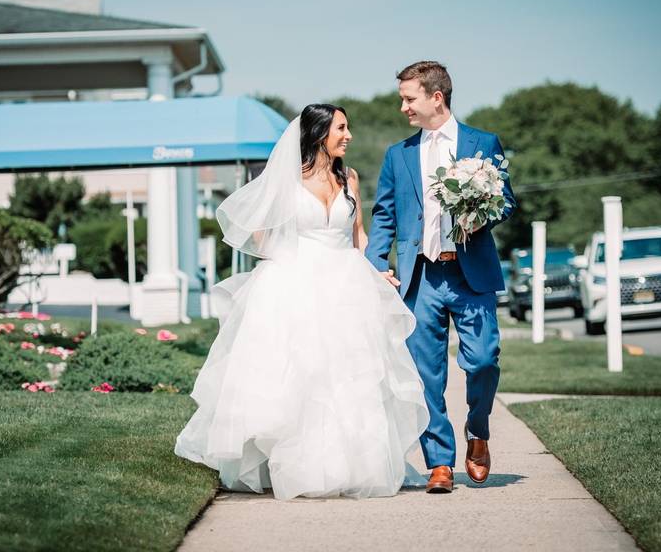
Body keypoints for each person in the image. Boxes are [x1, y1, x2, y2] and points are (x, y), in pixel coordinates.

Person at [175, 103, 429, 500]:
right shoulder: (286, 181)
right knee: (300, 375)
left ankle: (349, 466)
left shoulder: (350, 178)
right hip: (296, 281)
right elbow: (262, 238)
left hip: (347, 285)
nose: (348, 136)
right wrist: (295, 266)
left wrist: (375, 269)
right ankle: (294, 465)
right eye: (341, 129)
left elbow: (358, 234)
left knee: (347, 376)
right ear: (319, 134)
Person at [366, 61, 517, 493]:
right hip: (422, 277)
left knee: (484, 360)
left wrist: (480, 213)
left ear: (437, 97)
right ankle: (439, 463)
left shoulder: (482, 143)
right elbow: (385, 213)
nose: (403, 107)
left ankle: (479, 431)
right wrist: (378, 263)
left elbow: (506, 200)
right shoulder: (398, 155)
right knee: (426, 374)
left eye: (409, 98)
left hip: (471, 273)